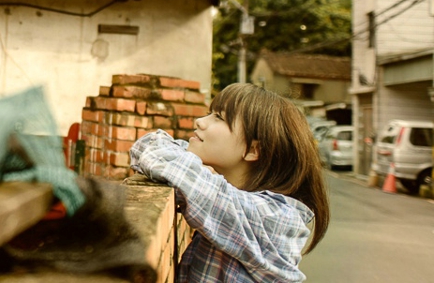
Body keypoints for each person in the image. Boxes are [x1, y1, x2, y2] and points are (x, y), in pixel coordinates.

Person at [129, 83, 329, 283]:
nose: (200, 122)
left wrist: (194, 170)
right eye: (209, 113)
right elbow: (150, 149)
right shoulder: (231, 202)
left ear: (253, 150)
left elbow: (155, 152)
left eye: (219, 117)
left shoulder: (272, 219)